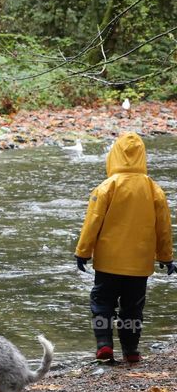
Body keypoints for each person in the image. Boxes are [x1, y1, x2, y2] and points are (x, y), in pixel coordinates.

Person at [75, 131, 174, 363]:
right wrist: (166, 257)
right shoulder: (154, 189)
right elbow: (164, 228)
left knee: (102, 303)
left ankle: (104, 345)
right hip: (139, 265)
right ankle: (130, 349)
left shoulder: (106, 187)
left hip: (108, 263)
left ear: (114, 155)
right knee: (133, 309)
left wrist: (83, 251)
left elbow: (92, 223)